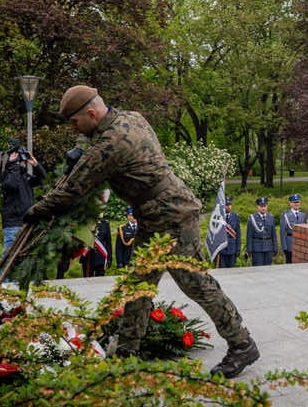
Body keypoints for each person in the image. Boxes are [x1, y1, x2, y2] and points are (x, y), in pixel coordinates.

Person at [24, 85, 258, 378]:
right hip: (157, 215)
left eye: (75, 122)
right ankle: (126, 351)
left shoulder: (110, 144)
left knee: (197, 284)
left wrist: (35, 211)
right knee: (137, 285)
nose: (74, 129)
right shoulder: (131, 118)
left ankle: (242, 344)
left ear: (92, 113)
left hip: (172, 216)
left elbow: (73, 190)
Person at [0, 138, 45, 257]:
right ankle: (5, 277)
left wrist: (35, 164)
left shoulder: (24, 176)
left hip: (26, 221)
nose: (22, 161)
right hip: (13, 223)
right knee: (9, 256)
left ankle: (11, 277)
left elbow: (42, 178)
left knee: (23, 257)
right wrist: (14, 165)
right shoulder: (7, 174)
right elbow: (12, 185)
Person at [246, 197, 277, 267]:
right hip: (257, 249)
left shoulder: (271, 217)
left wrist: (275, 247)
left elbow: (273, 234)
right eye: (261, 206)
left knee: (268, 269)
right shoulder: (252, 218)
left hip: (268, 247)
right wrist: (249, 250)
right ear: (258, 207)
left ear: (267, 206)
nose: (263, 208)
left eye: (265, 206)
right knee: (257, 269)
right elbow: (249, 236)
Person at [279, 194, 306, 264]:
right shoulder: (285, 215)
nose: (297, 204)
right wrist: (284, 247)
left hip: (301, 244)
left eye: (298, 202)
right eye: (295, 202)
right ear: (290, 203)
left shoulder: (303, 215)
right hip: (290, 244)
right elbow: (282, 233)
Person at [218, 197, 241, 268]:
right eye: (226, 205)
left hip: (232, 248)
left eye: (229, 204)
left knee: (231, 271)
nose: (228, 207)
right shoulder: (219, 217)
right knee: (222, 271)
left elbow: (238, 234)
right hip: (222, 248)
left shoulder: (235, 216)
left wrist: (238, 249)